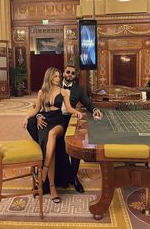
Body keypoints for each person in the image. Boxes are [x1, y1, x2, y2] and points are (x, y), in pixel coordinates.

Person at [28, 65, 103, 193]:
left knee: (76, 141)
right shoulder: (48, 88)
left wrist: (95, 110)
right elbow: (38, 107)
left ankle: (73, 176)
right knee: (34, 125)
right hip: (49, 118)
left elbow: (87, 103)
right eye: (67, 72)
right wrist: (39, 115)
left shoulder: (78, 90)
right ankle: (47, 178)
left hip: (67, 120)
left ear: (75, 76)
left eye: (72, 73)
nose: (69, 74)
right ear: (63, 73)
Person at [23, 67, 82, 203]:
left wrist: (77, 112)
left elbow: (69, 108)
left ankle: (43, 172)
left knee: (52, 133)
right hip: (45, 122)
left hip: (58, 122)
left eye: (59, 76)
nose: (58, 78)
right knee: (51, 148)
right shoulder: (41, 92)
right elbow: (37, 109)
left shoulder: (64, 92)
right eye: (55, 76)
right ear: (49, 77)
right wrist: (27, 117)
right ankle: (52, 186)